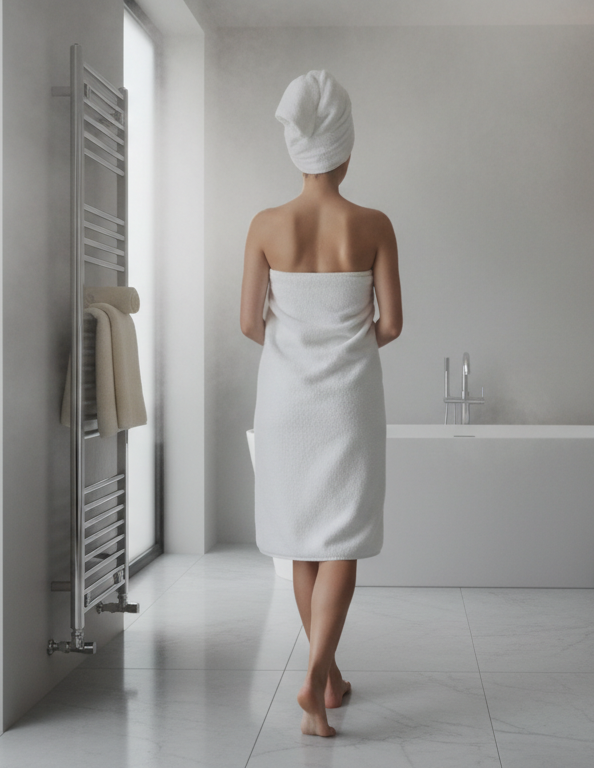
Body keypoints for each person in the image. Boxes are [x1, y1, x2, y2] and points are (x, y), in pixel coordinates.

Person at [240, 70, 402, 738]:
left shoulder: (266, 225)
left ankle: (325, 679)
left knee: (305, 539)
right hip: (347, 400)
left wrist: (297, 343)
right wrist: (343, 344)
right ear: (345, 148)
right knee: (341, 540)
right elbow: (390, 323)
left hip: (283, 402)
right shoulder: (372, 225)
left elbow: (251, 322)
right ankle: (317, 677)